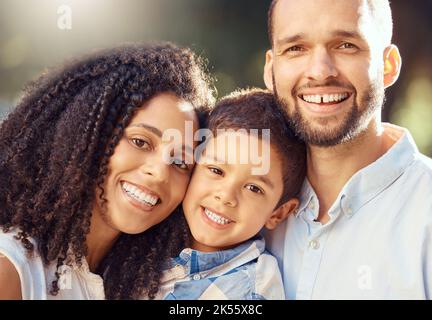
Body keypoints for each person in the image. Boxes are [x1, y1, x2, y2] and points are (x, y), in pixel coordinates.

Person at [0, 42, 214, 300]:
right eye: (140, 142)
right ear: (87, 136)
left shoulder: (149, 283)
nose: (159, 173)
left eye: (181, 162)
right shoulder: (13, 269)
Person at [263, 0, 432, 299]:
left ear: (388, 65)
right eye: (296, 48)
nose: (319, 72)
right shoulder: (246, 205)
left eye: (345, 45)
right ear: (271, 70)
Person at [153, 88, 306, 300]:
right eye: (216, 171)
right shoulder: (148, 238)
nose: (226, 196)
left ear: (278, 213)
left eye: (254, 188)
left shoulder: (249, 289)